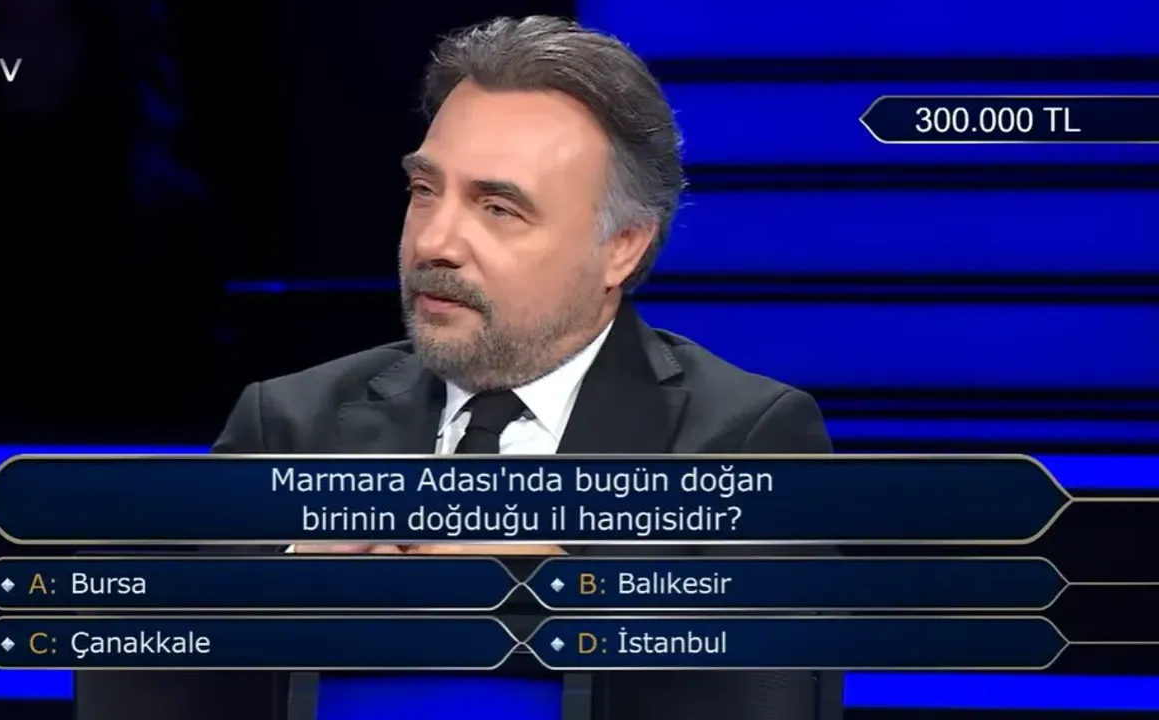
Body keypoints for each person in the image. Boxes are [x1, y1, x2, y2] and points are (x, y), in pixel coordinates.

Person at [77, 15, 841, 720]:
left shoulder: (745, 441)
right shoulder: (289, 425)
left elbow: (764, 693)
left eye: (497, 208)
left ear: (622, 248)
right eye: (423, 190)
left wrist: (562, 589)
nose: (434, 242)